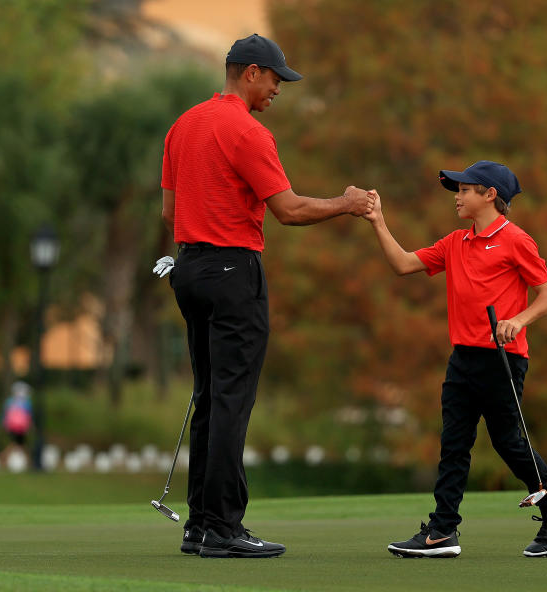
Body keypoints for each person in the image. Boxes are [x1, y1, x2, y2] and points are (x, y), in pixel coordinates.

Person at [156, 33, 373, 559]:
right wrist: (346, 204)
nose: (279, 88)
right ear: (250, 72)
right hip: (234, 271)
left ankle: (200, 525)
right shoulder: (247, 131)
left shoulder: (183, 125)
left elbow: (169, 213)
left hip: (189, 269)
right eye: (276, 78)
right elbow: (290, 210)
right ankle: (225, 529)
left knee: (210, 395)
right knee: (232, 398)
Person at [363, 161, 547, 558]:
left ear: (489, 195)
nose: (457, 197)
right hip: (462, 358)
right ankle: (443, 531)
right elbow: (403, 264)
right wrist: (378, 221)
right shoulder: (454, 242)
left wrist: (518, 319)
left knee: (508, 443)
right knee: (454, 443)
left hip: (502, 359)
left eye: (464, 190)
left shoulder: (516, 240)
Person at [1, 381, 33, 451]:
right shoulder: (26, 403)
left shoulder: (9, 401)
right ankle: (5, 456)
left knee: (16, 443)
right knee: (19, 443)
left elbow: (4, 414)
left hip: (13, 426)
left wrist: (4, 424)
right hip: (21, 427)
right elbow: (29, 415)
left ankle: (5, 456)